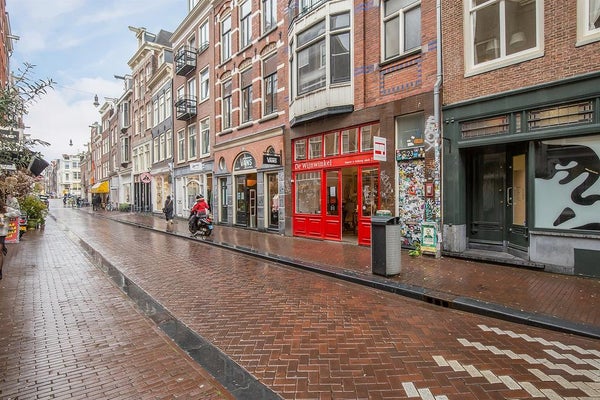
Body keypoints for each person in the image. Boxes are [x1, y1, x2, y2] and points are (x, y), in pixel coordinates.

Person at [0, 198, 20, 280]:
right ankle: (3, 248)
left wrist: (6, 215)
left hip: (1, 233)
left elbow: (18, 213)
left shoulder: (5, 208)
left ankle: (0, 271)